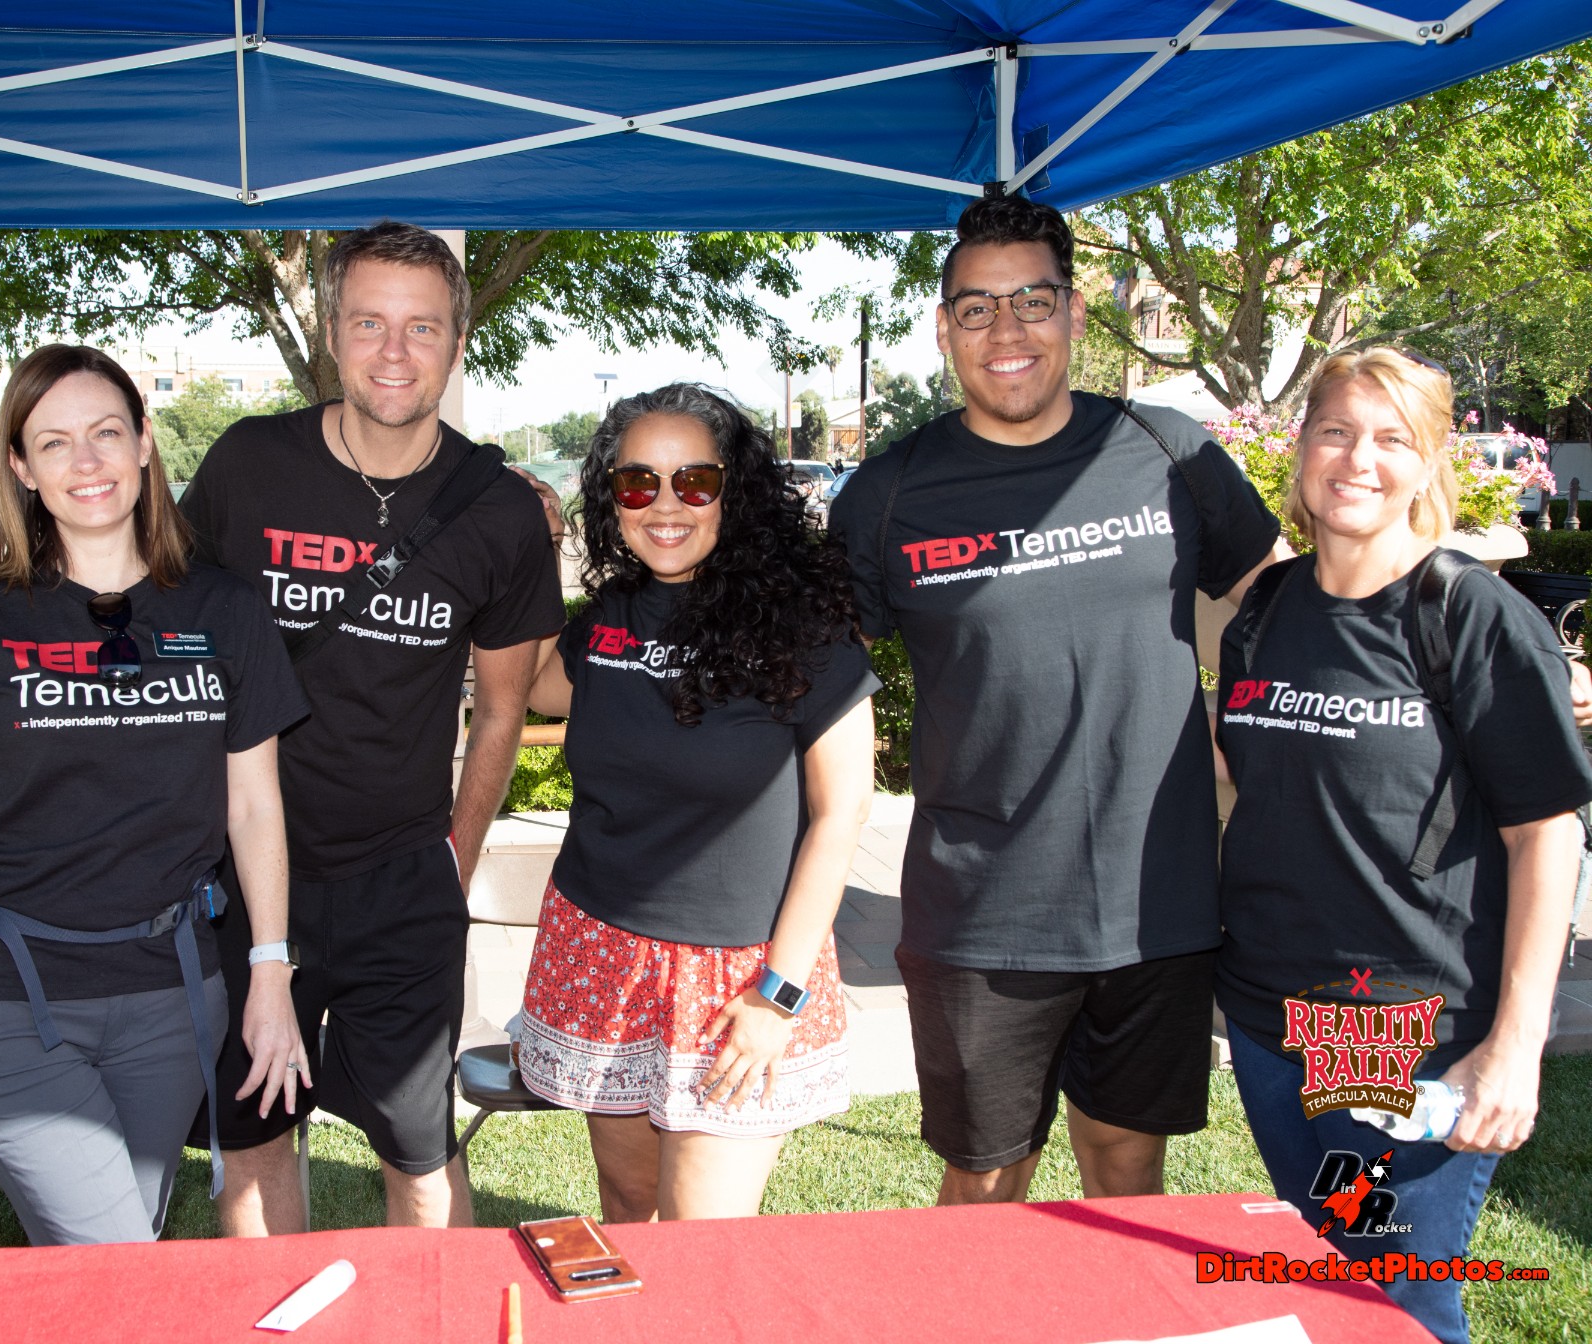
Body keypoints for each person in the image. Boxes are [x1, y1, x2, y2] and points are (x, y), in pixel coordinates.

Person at [827, 195, 1292, 1206]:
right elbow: (813, 678)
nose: (1008, 331)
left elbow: (1286, 604)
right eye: (977, 307)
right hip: (979, 913)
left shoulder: (1173, 452)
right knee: (986, 1184)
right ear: (945, 327)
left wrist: (1255, 719)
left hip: (1158, 901)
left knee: (1127, 1170)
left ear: (1077, 313)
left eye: (1033, 301)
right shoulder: (889, 496)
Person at [0, 344, 310, 1246]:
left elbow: (255, 807)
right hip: (3, 995)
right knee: (116, 1252)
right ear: (21, 468)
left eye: (107, 433)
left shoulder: (224, 611)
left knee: (105, 1262)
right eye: (55, 443)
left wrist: (270, 973)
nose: (89, 463)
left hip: (172, 997)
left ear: (146, 443)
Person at [179, 222, 565, 1235]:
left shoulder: (500, 512)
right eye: (369, 323)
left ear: (457, 340)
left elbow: (504, 709)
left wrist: (455, 860)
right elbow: (162, 618)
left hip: (404, 883)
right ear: (331, 330)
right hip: (246, 879)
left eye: (422, 327)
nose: (394, 352)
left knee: (421, 1153)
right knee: (255, 1135)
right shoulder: (247, 466)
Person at [1214, 349, 1592, 1344]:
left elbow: (1547, 832)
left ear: (1429, 467)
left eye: (1393, 440)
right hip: (1266, 1017)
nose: (1357, 459)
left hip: (1397, 1032)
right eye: (1335, 430)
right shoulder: (1264, 613)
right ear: (1299, 450)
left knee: (1394, 1303)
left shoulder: (1467, 614)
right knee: (1329, 1273)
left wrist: (1515, 1046)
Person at [518, 384, 879, 1221]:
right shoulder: (609, 617)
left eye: (696, 482)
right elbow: (537, 690)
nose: (666, 505)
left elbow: (842, 815)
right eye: (638, 483)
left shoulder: (806, 628)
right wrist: (539, 550)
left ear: (736, 491)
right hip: (600, 948)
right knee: (629, 1198)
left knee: (703, 1237)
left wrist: (777, 995)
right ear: (614, 499)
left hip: (739, 977)